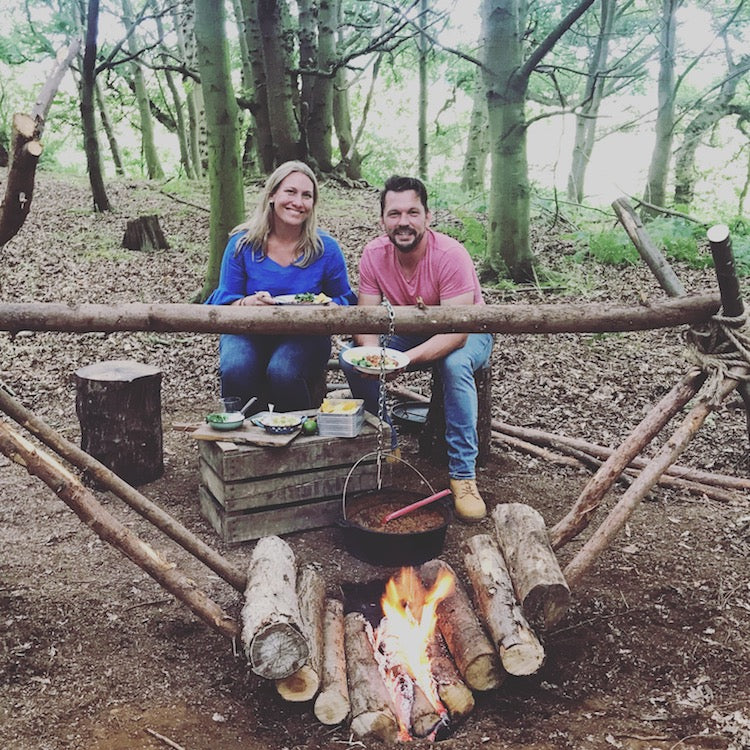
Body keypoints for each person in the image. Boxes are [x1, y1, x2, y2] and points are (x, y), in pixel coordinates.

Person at [339, 175, 493, 523]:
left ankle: (463, 475)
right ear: (382, 219)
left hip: (468, 331)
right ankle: (388, 435)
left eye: (412, 212)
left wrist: (406, 360)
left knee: (454, 365)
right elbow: (367, 319)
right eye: (394, 214)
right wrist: (375, 357)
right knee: (351, 361)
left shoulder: (450, 255)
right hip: (408, 329)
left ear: (428, 216)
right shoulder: (374, 254)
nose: (403, 222)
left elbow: (457, 332)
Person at [206, 160, 356, 412]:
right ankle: (246, 435)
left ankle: (295, 437)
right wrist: (246, 303)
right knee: (236, 367)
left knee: (283, 371)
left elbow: (346, 299)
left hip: (305, 334)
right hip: (247, 331)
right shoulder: (241, 245)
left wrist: (332, 306)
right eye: (290, 192)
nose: (298, 202)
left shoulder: (326, 249)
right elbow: (224, 299)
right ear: (272, 195)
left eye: (306, 195)